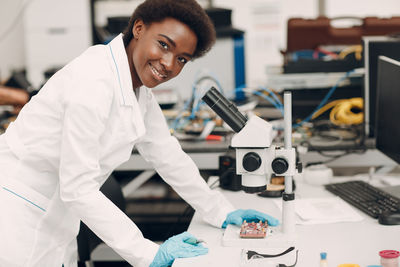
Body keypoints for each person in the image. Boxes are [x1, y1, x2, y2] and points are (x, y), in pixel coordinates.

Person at [0, 0, 279, 266]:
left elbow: (166, 153)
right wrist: (147, 253)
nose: (169, 64)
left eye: (182, 59)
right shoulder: (93, 82)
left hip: (54, 221)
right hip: (17, 223)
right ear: (139, 28)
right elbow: (78, 188)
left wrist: (220, 210)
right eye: (163, 45)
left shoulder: (137, 89)